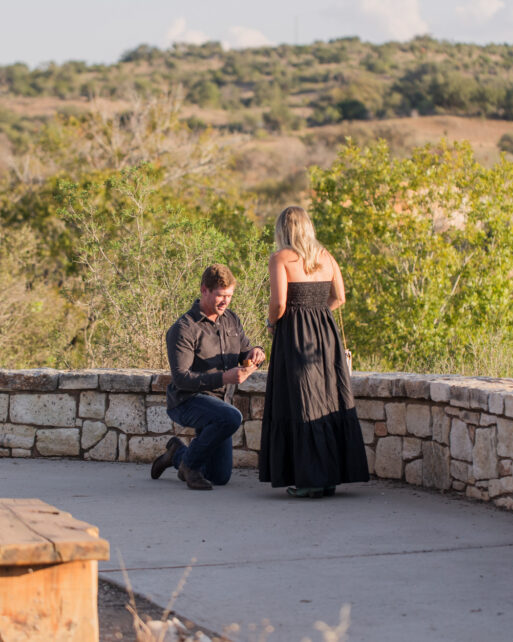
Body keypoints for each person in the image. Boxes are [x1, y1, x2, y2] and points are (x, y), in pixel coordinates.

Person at [258, 206, 370, 498]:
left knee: (301, 400)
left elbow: (279, 303)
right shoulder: (326, 257)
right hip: (325, 335)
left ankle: (310, 481)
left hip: (294, 335)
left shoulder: (280, 258)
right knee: (328, 397)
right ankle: (329, 477)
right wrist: (317, 314)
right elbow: (340, 297)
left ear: (283, 230)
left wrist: (272, 324)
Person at [150, 263, 266, 490]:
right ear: (204, 290)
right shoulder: (184, 328)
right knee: (232, 417)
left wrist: (254, 352)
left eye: (229, 296)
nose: (226, 301)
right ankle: (189, 466)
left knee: (219, 476)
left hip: (218, 405)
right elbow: (182, 378)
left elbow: (243, 350)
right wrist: (225, 378)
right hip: (188, 401)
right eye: (220, 295)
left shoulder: (231, 319)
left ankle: (177, 454)